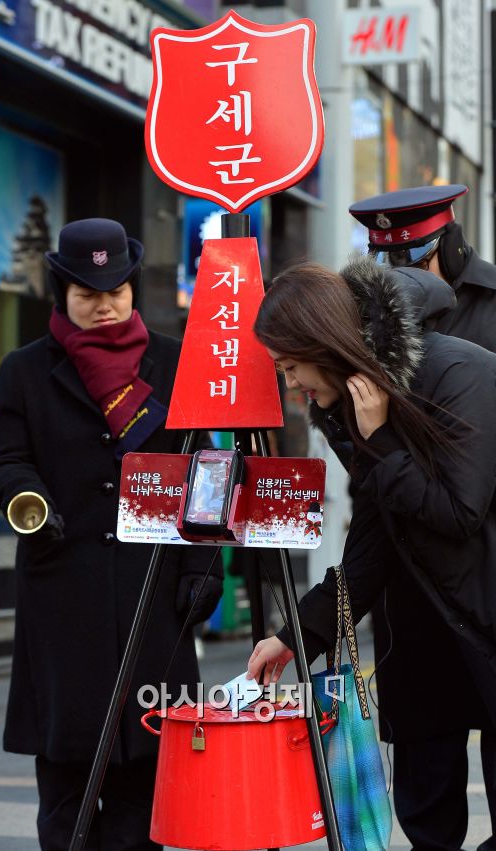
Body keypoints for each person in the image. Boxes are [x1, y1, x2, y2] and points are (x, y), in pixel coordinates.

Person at [0, 218, 223, 851]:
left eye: (116, 289)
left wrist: (205, 566)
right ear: (61, 291)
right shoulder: (25, 371)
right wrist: (24, 497)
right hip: (64, 594)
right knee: (67, 789)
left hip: (156, 593)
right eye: (88, 292)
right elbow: (7, 458)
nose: (104, 304)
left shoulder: (176, 364)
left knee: (148, 784)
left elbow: (207, 468)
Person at [246, 256, 496, 851]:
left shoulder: (461, 373)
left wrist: (381, 438)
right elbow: (371, 543)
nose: (290, 385)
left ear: (322, 342)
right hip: (419, 632)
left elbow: (458, 513)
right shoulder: (346, 405)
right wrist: (295, 636)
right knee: (427, 819)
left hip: (487, 615)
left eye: (290, 367)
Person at [348, 184, 496, 851]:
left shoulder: (492, 308)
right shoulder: (370, 324)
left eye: (412, 259)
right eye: (386, 263)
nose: (399, 277)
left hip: (487, 570)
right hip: (410, 584)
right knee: (427, 788)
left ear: (447, 245)